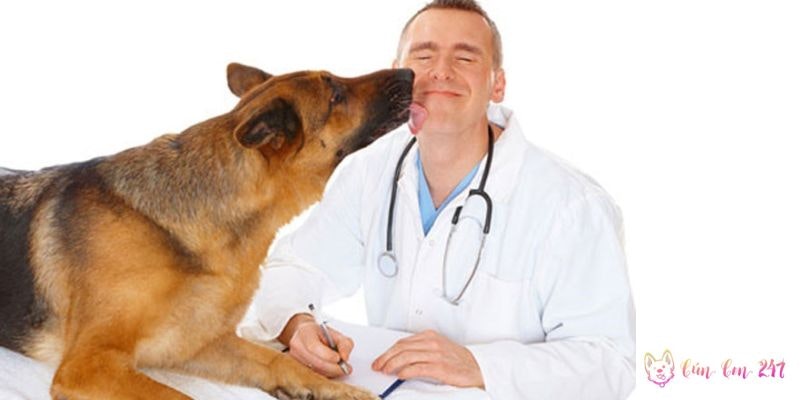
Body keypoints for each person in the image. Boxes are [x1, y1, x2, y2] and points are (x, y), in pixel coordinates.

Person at [239, 1, 635, 398]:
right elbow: (294, 267)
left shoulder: (572, 206)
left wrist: (479, 364)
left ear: (497, 84)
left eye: (465, 57)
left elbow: (609, 363)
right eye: (424, 56)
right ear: (398, 74)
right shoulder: (370, 169)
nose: (441, 71)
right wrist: (299, 325)